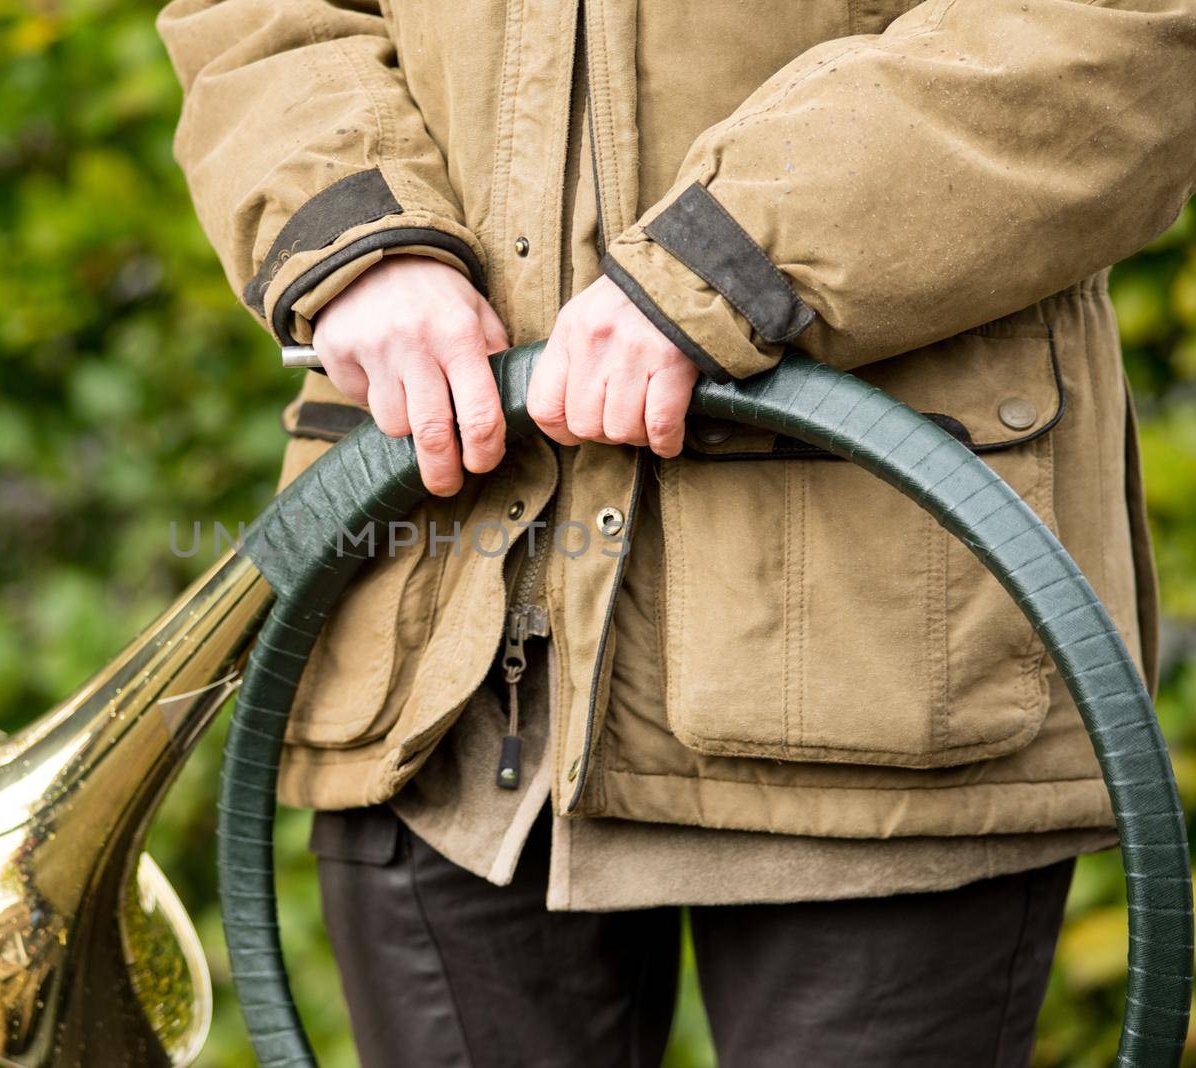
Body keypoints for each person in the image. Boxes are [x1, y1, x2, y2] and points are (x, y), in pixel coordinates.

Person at [157, 1, 1196, 1064]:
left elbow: (1125, 30)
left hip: (882, 674)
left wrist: (728, 262)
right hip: (440, 689)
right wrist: (353, 237)